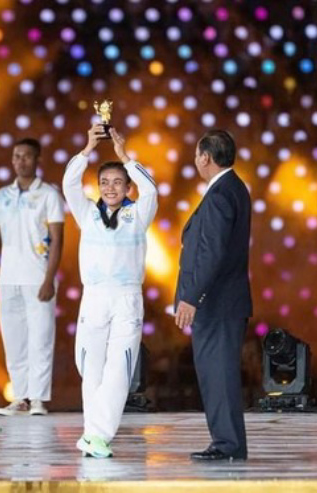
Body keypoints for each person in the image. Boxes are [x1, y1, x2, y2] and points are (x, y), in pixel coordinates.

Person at [63, 124, 158, 458]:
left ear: (128, 186)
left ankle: (98, 435)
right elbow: (69, 183)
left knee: (119, 370)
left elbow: (151, 190)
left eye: (118, 182)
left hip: (126, 299)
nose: (110, 188)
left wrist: (124, 156)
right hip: (94, 298)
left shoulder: (138, 214)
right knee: (90, 369)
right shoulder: (88, 213)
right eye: (104, 182)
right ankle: (92, 434)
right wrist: (87, 148)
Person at [0, 138, 64, 416]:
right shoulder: (2, 196)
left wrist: (49, 279)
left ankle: (38, 399)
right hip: (8, 279)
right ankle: (20, 397)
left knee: (40, 339)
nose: (20, 161)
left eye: (26, 156)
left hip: (38, 277)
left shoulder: (49, 195)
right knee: (14, 341)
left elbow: (57, 240)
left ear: (37, 159)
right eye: (16, 156)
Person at [174, 130, 252, 461]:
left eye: (196, 154)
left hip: (217, 303)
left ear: (205, 157)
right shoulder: (233, 188)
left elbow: (212, 251)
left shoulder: (221, 194)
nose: (195, 160)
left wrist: (191, 296)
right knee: (217, 373)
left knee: (218, 374)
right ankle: (227, 442)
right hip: (223, 302)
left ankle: (227, 445)